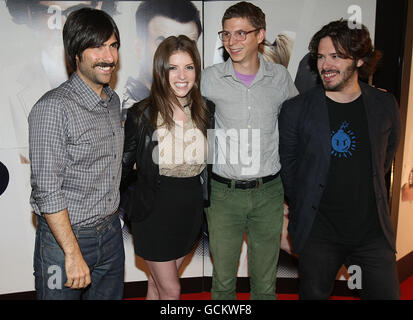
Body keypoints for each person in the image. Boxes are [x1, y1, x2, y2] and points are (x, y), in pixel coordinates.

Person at [279, 19, 401, 299]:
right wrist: (305, 201)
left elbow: (384, 158)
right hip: (318, 234)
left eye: (336, 56)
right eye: (321, 57)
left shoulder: (384, 105)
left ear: (359, 60)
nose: (325, 65)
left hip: (372, 233)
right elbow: (289, 168)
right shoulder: (296, 110)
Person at [201, 1, 298, 300]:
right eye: (227, 34)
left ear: (260, 35)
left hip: (269, 194)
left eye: (242, 33)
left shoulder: (280, 78)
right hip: (223, 195)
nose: (233, 41)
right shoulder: (209, 78)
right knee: (223, 283)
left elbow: (301, 123)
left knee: (266, 284)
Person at [29, 7, 124, 300]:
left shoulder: (112, 101)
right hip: (64, 243)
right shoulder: (53, 108)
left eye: (112, 46)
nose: (108, 57)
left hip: (111, 235)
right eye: (97, 47)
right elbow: (47, 191)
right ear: (75, 53)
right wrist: (72, 253)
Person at [121, 35, 215, 300]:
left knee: (157, 284)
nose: (182, 75)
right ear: (161, 71)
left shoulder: (207, 110)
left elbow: (213, 162)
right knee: (172, 289)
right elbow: (124, 166)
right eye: (173, 67)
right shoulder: (142, 113)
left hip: (191, 211)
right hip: (154, 211)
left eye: (189, 67)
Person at [122, 0, 202, 116]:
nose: (177, 54)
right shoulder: (131, 111)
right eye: (163, 44)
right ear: (139, 48)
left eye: (187, 45)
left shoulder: (203, 107)